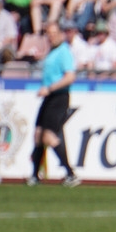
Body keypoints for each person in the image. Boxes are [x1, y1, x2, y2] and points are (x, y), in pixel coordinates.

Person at [27, 21, 80, 187]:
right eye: (48, 33)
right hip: (49, 97)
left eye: (53, 33)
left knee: (49, 136)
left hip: (58, 97)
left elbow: (70, 77)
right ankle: (35, 175)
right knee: (38, 134)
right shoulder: (52, 52)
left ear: (60, 34)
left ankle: (70, 174)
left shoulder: (64, 52)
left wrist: (49, 89)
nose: (50, 36)